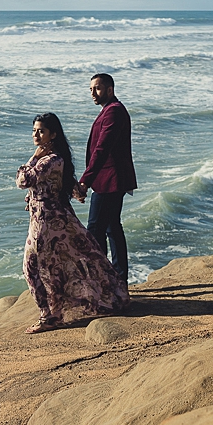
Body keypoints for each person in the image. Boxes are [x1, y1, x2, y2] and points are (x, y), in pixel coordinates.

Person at [16, 113, 130, 333]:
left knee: (32, 268)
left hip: (46, 222)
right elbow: (69, 186)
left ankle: (48, 316)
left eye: (41, 131)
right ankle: (53, 314)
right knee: (55, 266)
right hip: (51, 220)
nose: (36, 135)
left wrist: (32, 158)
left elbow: (23, 180)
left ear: (53, 134)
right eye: (34, 131)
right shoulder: (56, 159)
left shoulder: (50, 160)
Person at [77, 73, 137, 283]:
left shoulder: (113, 112)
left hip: (110, 181)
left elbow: (102, 149)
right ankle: (118, 278)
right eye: (91, 89)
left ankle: (102, 279)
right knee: (112, 227)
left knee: (95, 229)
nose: (93, 93)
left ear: (110, 89)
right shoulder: (111, 110)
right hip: (110, 179)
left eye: (98, 88)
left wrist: (85, 181)